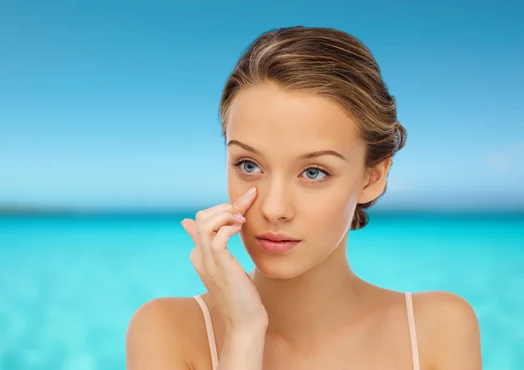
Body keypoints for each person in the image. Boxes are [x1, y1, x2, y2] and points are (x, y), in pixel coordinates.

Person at [126, 26, 482, 370]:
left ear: (372, 178)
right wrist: (243, 332)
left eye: (314, 172)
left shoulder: (438, 329)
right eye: (248, 165)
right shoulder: (167, 330)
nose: (274, 209)